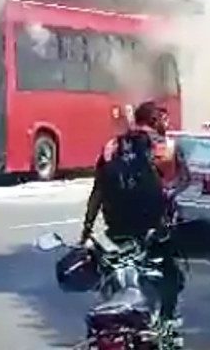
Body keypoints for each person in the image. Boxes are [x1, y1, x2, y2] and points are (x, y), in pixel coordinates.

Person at [80, 100, 185, 322]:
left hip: (116, 233)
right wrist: (169, 194)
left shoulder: (111, 147)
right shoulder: (167, 147)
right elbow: (185, 180)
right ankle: (167, 323)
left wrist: (87, 228)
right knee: (172, 279)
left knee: (107, 278)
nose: (167, 123)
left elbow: (98, 191)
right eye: (163, 119)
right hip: (153, 233)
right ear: (155, 120)